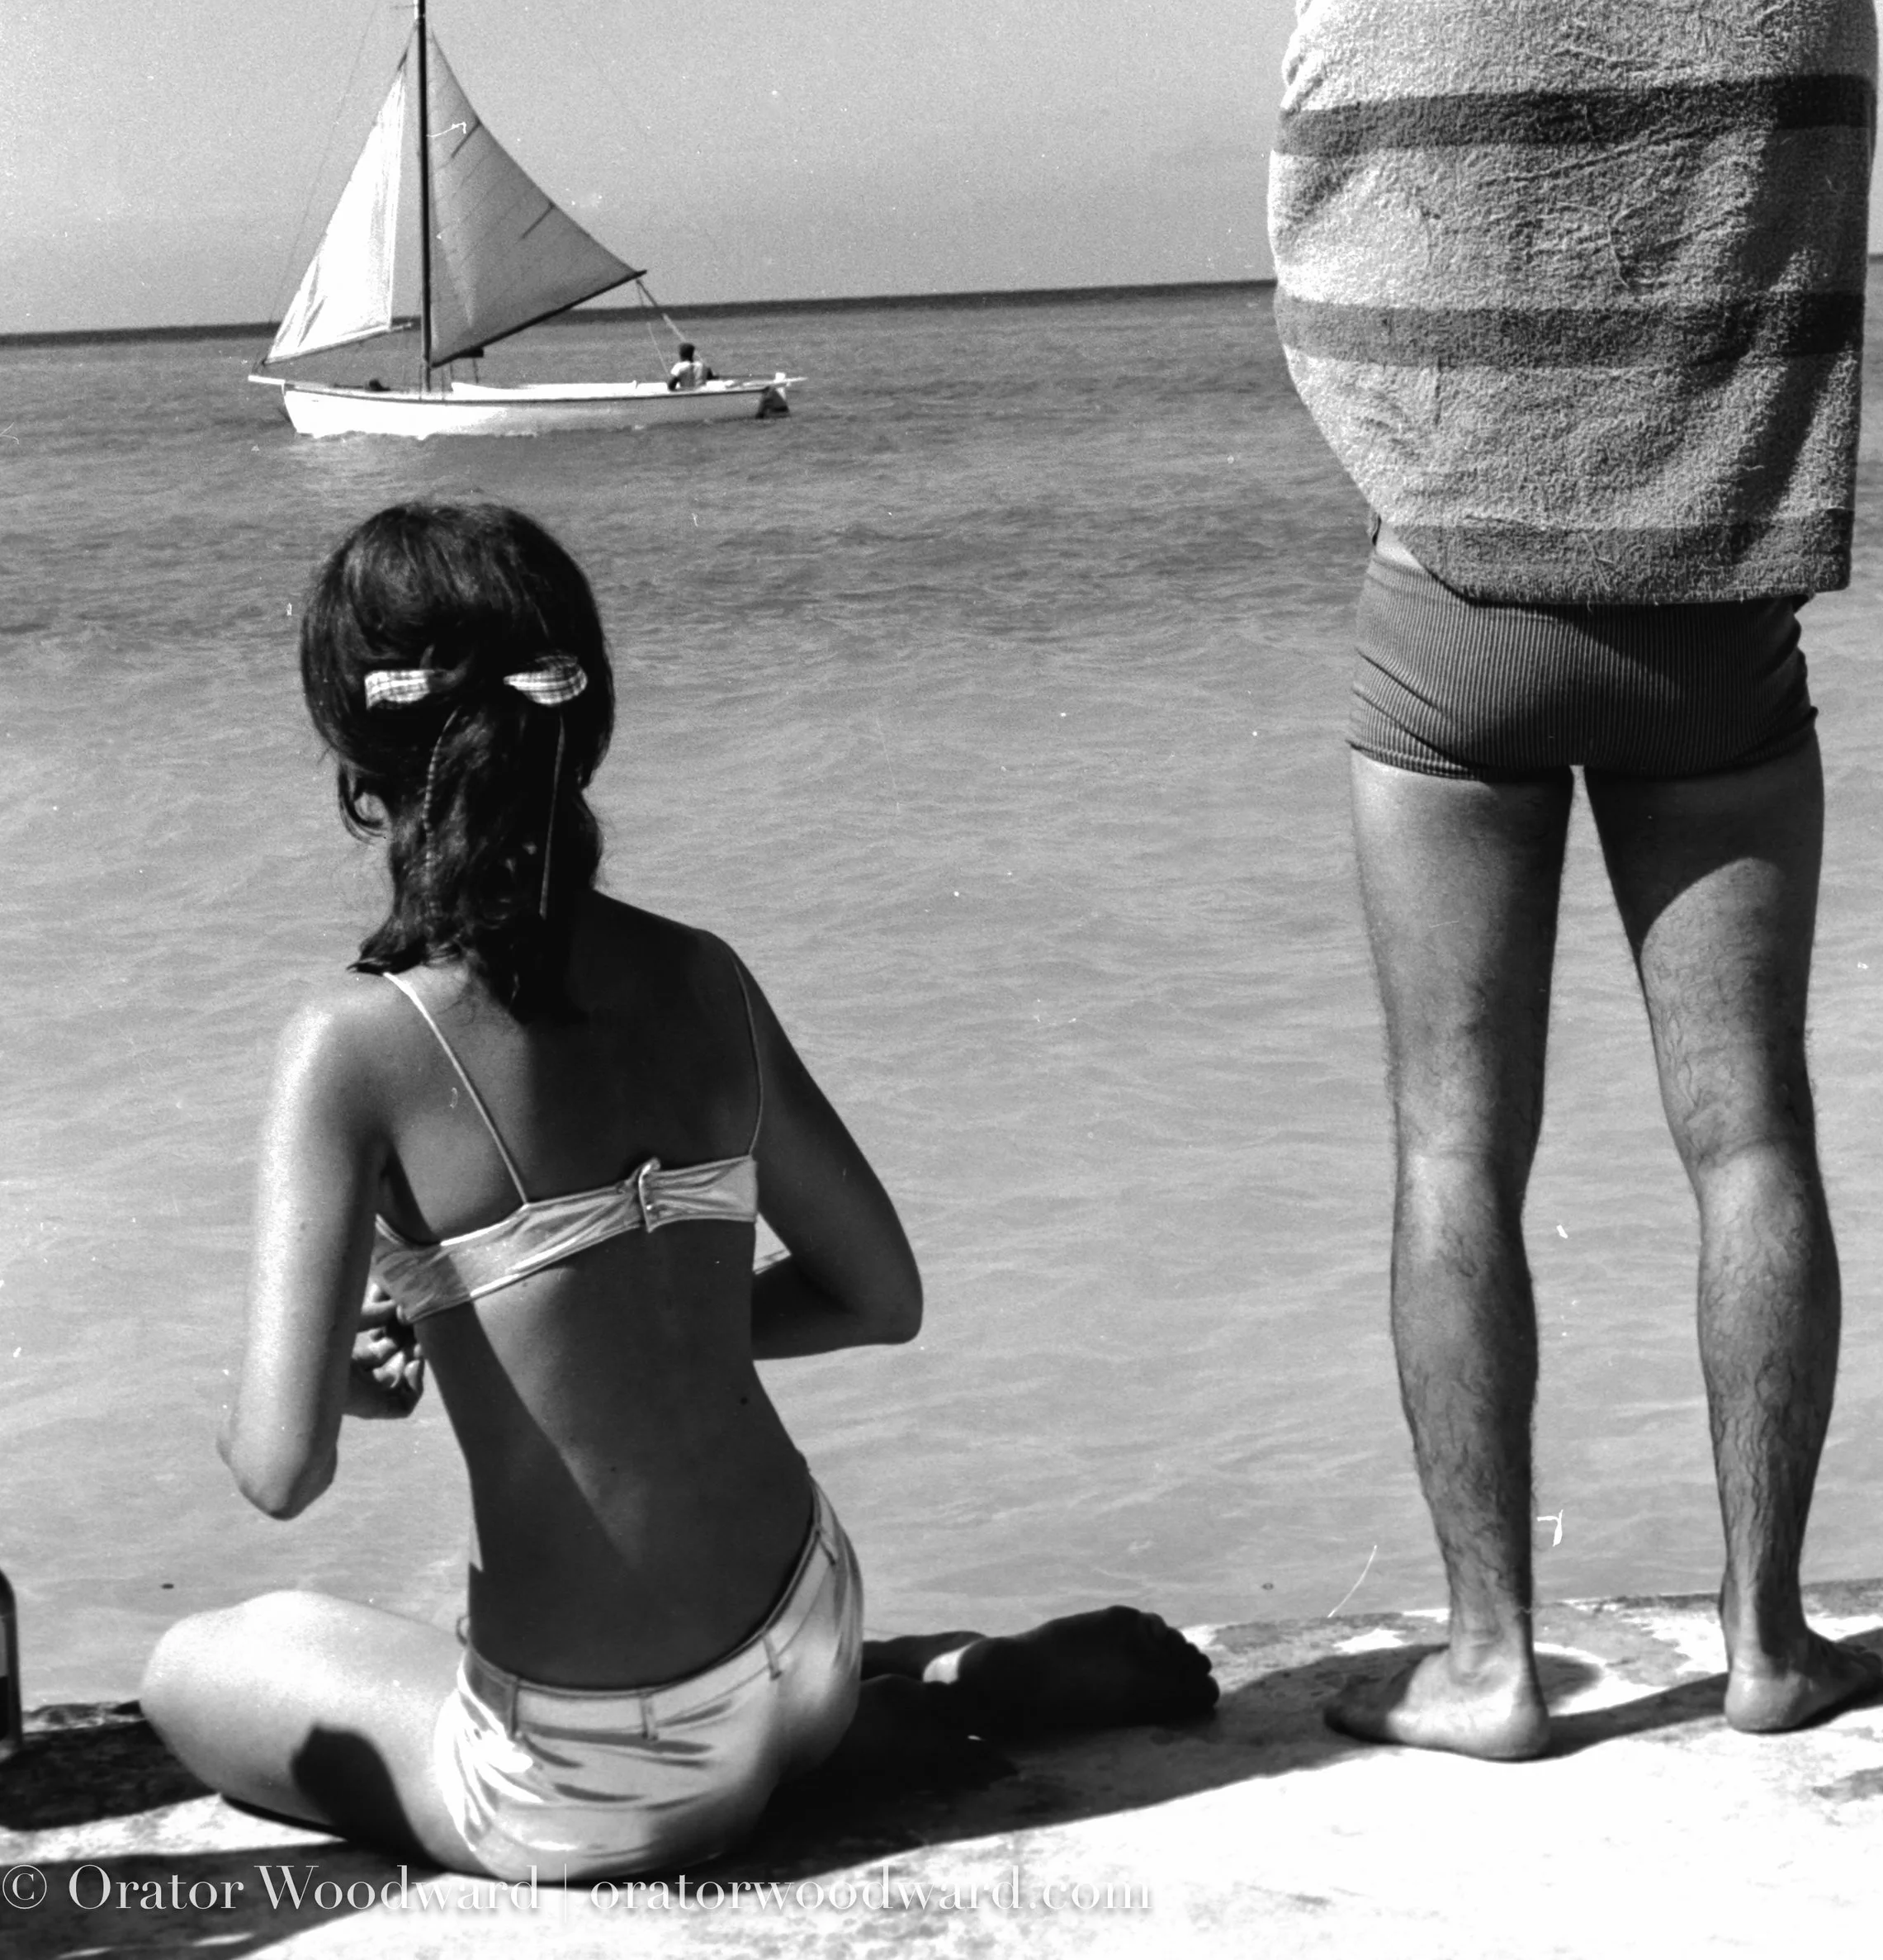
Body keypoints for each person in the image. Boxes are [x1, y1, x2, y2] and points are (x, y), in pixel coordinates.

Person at [143, 503, 1213, 1879]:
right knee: (697, 1671)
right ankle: (913, 1698)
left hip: (593, 1774)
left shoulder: (351, 1045)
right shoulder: (707, 973)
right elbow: (882, 1297)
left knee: (199, 1660)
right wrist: (645, 1324)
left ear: (357, 758)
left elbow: (282, 1470)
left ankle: (874, 1714)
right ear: (578, 720)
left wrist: (325, 1387)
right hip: (809, 1623)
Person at [1268, 0, 1881, 1760]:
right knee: (1748, 1142)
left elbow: (1321, 297)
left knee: (1454, 1151)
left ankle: (1488, 1657)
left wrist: (1463, 474)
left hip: (1454, 622)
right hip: (1710, 620)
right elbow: (1782, 256)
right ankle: (1766, 1641)